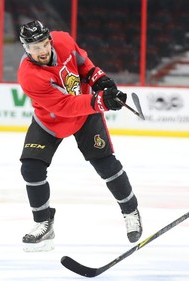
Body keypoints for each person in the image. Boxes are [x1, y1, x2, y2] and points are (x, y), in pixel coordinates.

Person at [17, 20, 143, 252]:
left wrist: (100, 80)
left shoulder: (63, 40)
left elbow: (84, 64)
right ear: (26, 49)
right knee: (31, 168)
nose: (42, 51)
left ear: (50, 40)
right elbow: (64, 105)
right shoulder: (29, 76)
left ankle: (130, 211)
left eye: (44, 44)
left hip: (85, 114)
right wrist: (100, 100)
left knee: (106, 165)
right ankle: (43, 223)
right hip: (51, 121)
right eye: (35, 48)